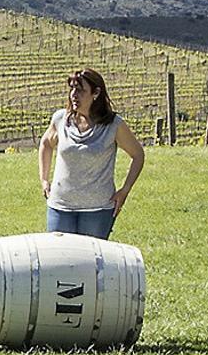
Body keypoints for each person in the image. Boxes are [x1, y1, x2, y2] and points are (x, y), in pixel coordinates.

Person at [38, 68, 145, 239]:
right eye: (72, 88)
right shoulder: (60, 119)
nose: (73, 94)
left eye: (80, 90)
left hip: (98, 210)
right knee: (59, 260)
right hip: (60, 207)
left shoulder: (113, 125)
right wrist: (44, 179)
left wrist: (125, 191)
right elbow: (46, 143)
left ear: (95, 93)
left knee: (92, 262)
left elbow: (138, 155)